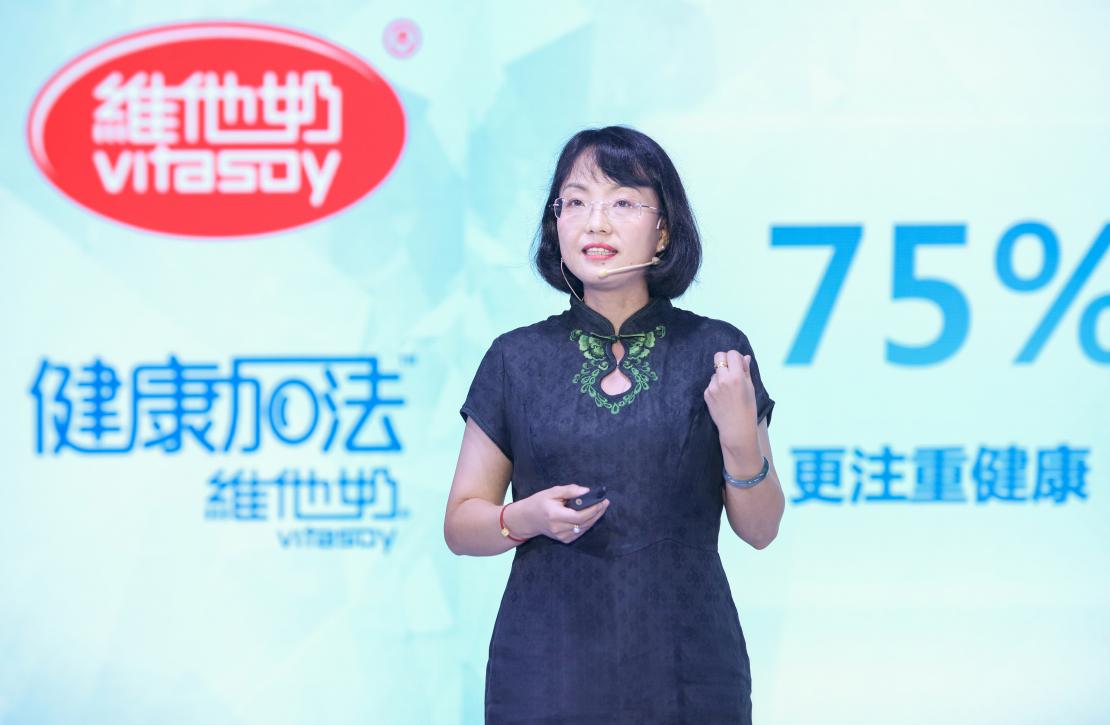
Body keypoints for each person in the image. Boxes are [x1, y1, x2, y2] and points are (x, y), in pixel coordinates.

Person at [444, 125, 784, 724]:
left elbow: (760, 530)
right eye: (575, 202)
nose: (595, 224)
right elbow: (460, 524)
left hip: (686, 663)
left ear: (664, 229)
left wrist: (738, 438)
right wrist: (525, 517)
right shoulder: (515, 358)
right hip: (547, 663)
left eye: (622, 202)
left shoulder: (716, 351)